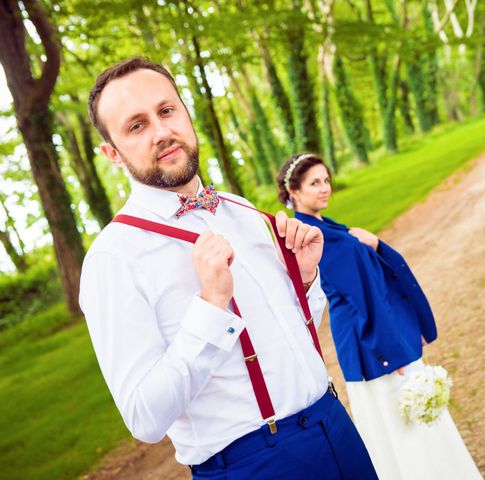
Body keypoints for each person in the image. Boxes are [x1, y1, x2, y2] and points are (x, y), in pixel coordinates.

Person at [80, 58, 377, 480]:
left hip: (335, 426)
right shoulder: (113, 259)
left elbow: (288, 334)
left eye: (167, 111)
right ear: (112, 153)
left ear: (185, 112)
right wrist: (211, 307)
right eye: (136, 126)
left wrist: (306, 279)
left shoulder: (240, 210)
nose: (162, 132)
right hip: (254, 466)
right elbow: (144, 417)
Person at [277, 153, 483, 479]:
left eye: (326, 180)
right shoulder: (316, 236)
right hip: (372, 346)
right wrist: (393, 351)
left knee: (403, 431)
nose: (325, 188)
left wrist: (374, 243)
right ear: (294, 192)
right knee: (402, 432)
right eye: (314, 183)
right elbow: (362, 297)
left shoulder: (327, 227)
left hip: (369, 338)